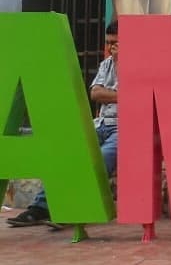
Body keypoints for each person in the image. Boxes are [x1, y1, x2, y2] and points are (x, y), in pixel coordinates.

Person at [8, 21, 119, 227]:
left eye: (116, 43)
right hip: (100, 124)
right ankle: (40, 208)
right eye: (108, 43)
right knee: (65, 153)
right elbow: (95, 93)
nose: (111, 47)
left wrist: (111, 93)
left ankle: (73, 209)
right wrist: (120, 95)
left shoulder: (139, 65)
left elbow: (136, 95)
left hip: (123, 128)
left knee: (99, 160)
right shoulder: (106, 64)